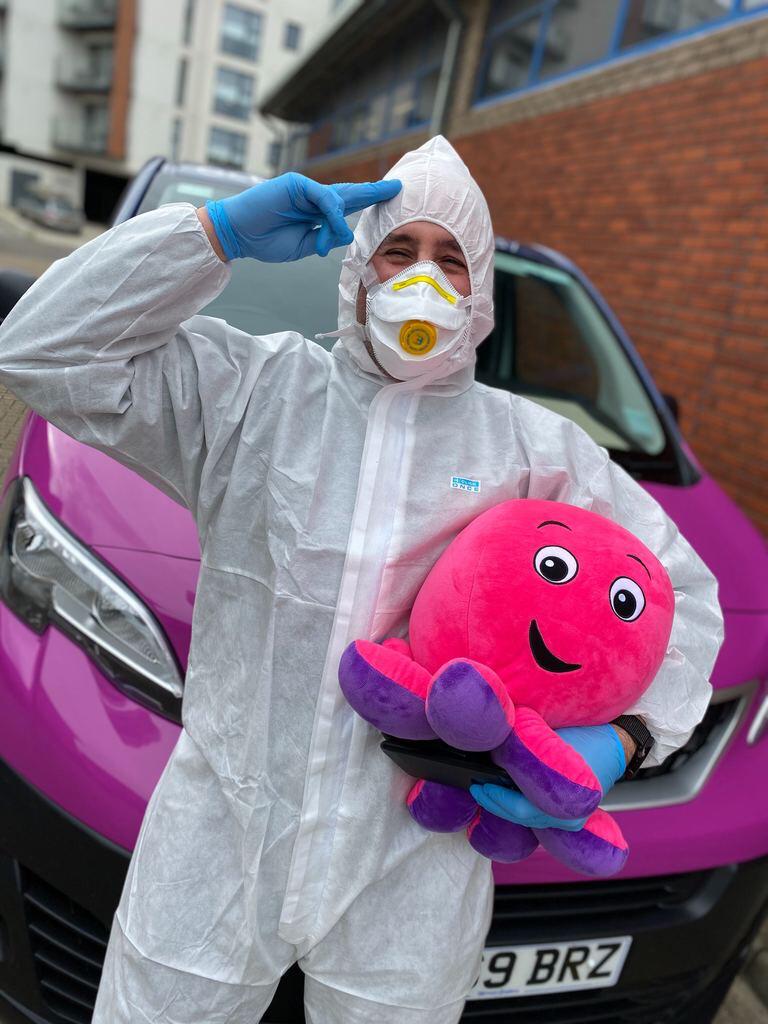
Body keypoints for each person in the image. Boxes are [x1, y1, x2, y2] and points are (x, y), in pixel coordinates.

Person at [0, 136, 723, 1023]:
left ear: (478, 287)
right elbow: (39, 350)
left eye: (450, 258)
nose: (424, 277)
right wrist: (211, 235)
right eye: (399, 250)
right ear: (358, 271)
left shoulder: (533, 450)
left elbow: (679, 595)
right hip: (223, 837)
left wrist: (630, 736)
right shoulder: (252, 393)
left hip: (414, 861)